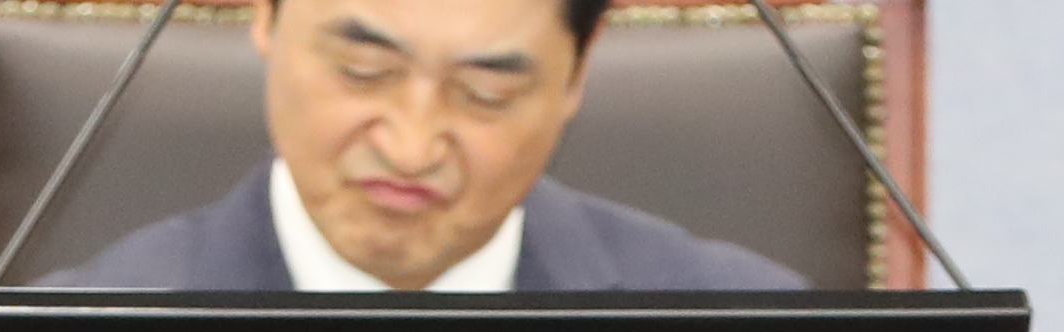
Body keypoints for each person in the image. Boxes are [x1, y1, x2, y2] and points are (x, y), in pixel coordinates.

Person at [65, 0, 803, 295]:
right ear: (265, 14)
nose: (411, 146)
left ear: (580, 68)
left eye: (486, 93)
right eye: (364, 72)